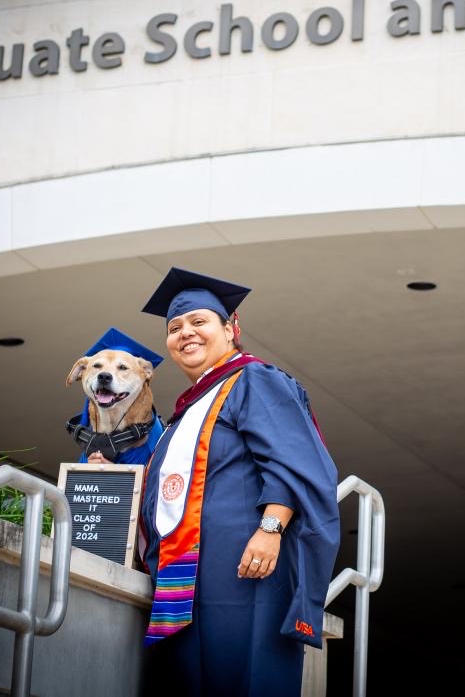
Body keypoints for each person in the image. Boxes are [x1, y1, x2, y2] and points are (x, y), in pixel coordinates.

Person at [136, 267, 340, 696]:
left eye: (199, 322)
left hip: (247, 570)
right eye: (175, 328)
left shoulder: (253, 380)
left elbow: (292, 459)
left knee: (244, 676)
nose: (185, 333)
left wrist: (270, 529)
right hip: (186, 575)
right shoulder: (187, 411)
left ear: (231, 329)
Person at [65, 327, 166, 466]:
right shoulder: (89, 446)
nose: (105, 374)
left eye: (123, 368)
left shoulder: (156, 443)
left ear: (146, 374)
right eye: (97, 366)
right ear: (81, 371)